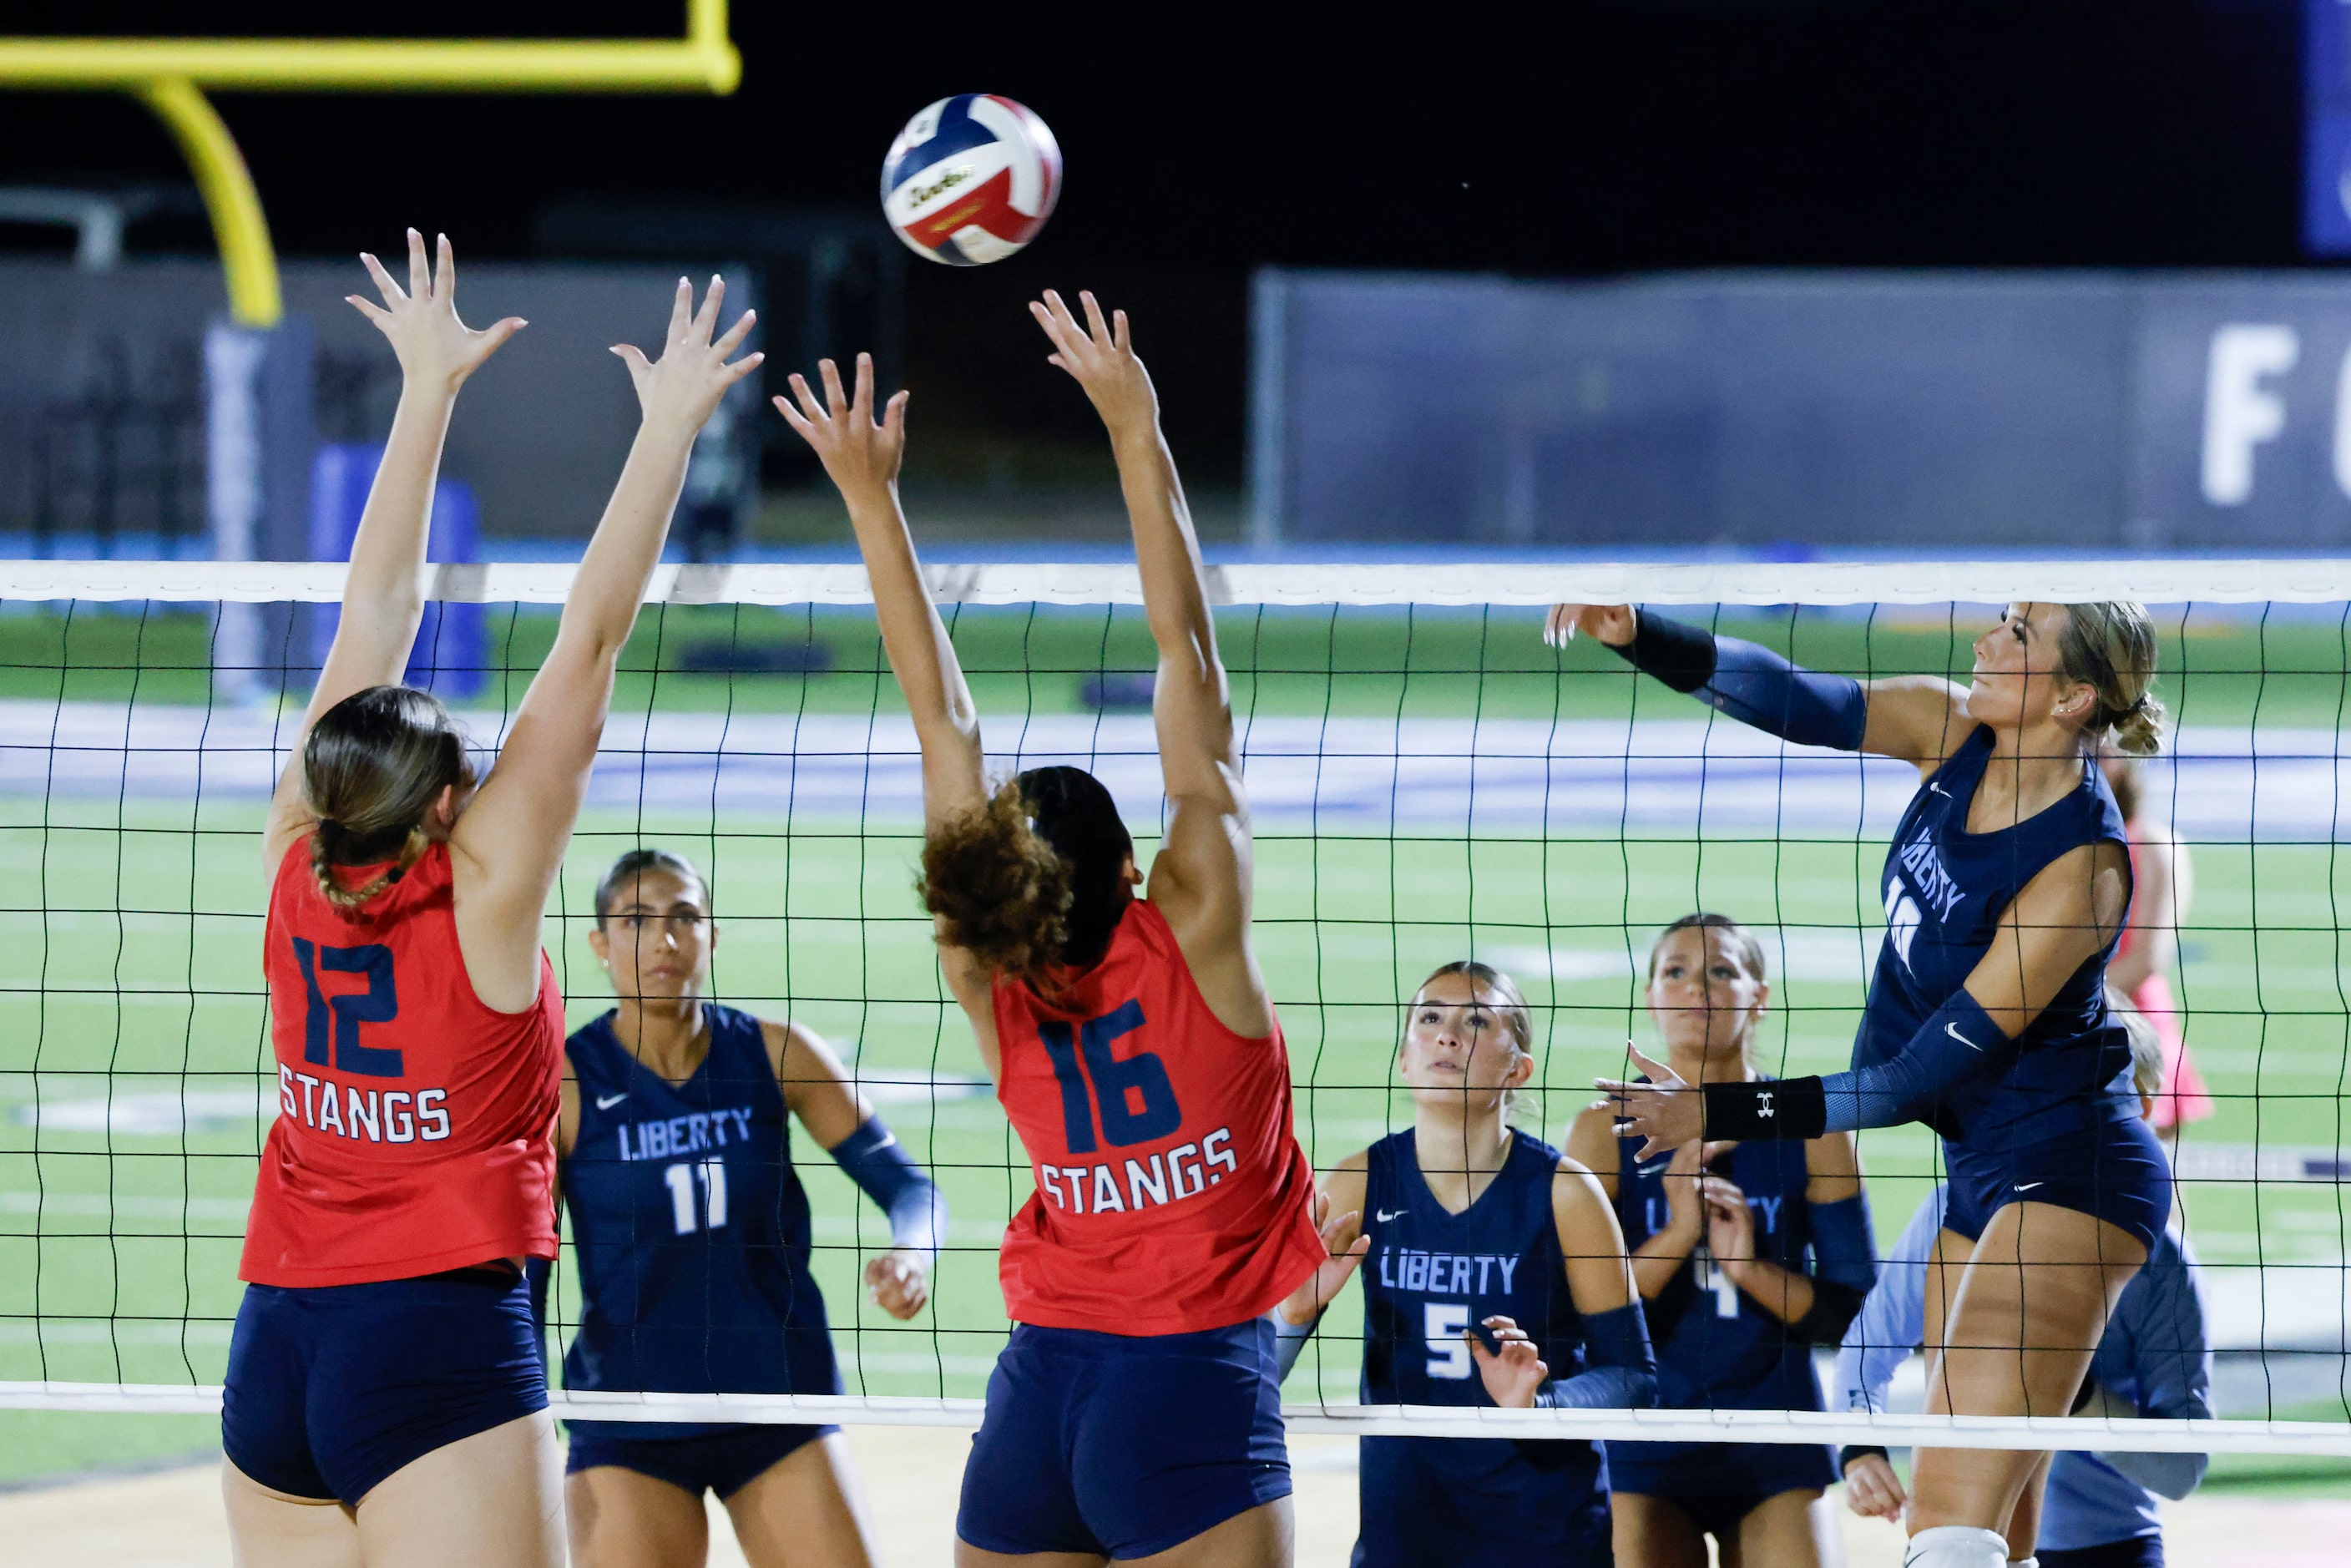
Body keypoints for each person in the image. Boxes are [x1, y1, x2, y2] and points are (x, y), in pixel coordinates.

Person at [225, 236, 761, 1568]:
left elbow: (374, 610)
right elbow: (590, 638)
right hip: (436, 1342)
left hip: (275, 1340)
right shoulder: (487, 895)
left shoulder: (295, 847)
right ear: (450, 806)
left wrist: (425, 389)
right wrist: (669, 430)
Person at [774, 293, 1326, 1568]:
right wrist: (1137, 427)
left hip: (1038, 1393)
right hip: (1186, 1391)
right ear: (1140, 868)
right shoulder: (1198, 931)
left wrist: (870, 497)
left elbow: (942, 727)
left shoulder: (985, 967)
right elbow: (1185, 651)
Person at [1557, 598, 2172, 1568]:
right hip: (1980, 1174)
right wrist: (1642, 632)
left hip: (2072, 1175)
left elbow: (1904, 1083)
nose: (1984, 638)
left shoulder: (2076, 872)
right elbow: (1795, 697)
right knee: (2001, 1537)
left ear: (2071, 698)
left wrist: (1710, 1111)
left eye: (2017, 637)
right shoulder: (1950, 729)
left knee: (1947, 1536)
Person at [551, 847, 946, 1568]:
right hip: (632, 1416)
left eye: (684, 918)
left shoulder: (775, 1052)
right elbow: (523, 1270)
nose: (665, 940)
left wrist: (914, 1253)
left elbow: (912, 1190)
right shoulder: (567, 1084)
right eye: (636, 920)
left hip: (777, 1402)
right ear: (600, 944)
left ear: (712, 937)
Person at [1271, 960, 1656, 1567]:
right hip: (1405, 1536)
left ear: (1518, 1067)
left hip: (1545, 1535)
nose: (1447, 1035)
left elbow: (1636, 1376)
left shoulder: (1566, 1193)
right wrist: (1294, 1314)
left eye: (1476, 1020)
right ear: (1404, 1058)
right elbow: (1254, 1379)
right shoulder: (1356, 1184)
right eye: (1429, 1018)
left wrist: (1538, 1405)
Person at [1835, 999, 2211, 1568]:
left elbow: (2182, 1471)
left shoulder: (2164, 1264)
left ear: (2148, 1106)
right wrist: (1859, 1450)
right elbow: (1867, 1347)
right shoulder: (1955, 1214)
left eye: (2107, 1091)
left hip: (2111, 1548)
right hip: (1968, 1540)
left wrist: (2068, 1392)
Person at [1563, 914, 1877, 1568]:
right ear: (1650, 998)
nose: (1695, 989)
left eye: (1720, 972)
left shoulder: (1813, 1128)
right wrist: (1679, 1233)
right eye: (1674, 972)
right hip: (1640, 1433)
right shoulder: (1601, 1131)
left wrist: (1748, 1266)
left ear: (1759, 996)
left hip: (1774, 1432)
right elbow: (1571, 1315)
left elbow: (1851, 1316)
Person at [2096, 743, 2211, 1136]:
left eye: (2101, 753)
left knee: (2149, 1176)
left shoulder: (2155, 844)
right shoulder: (2053, 839)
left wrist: (2059, 1004)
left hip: (2134, 1028)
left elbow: (2146, 959)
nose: (2087, 762)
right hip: (2070, 1023)